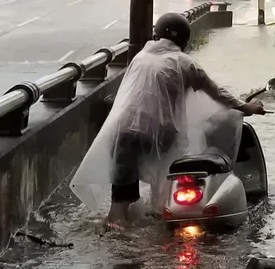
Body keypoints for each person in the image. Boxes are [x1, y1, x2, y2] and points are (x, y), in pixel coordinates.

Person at [73, 13, 263, 225]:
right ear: (183, 40)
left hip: (123, 130)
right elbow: (217, 92)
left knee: (122, 189)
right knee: (171, 172)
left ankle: (118, 222)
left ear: (156, 35)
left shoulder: (140, 58)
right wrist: (246, 107)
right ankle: (164, 212)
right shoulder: (185, 62)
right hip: (159, 132)